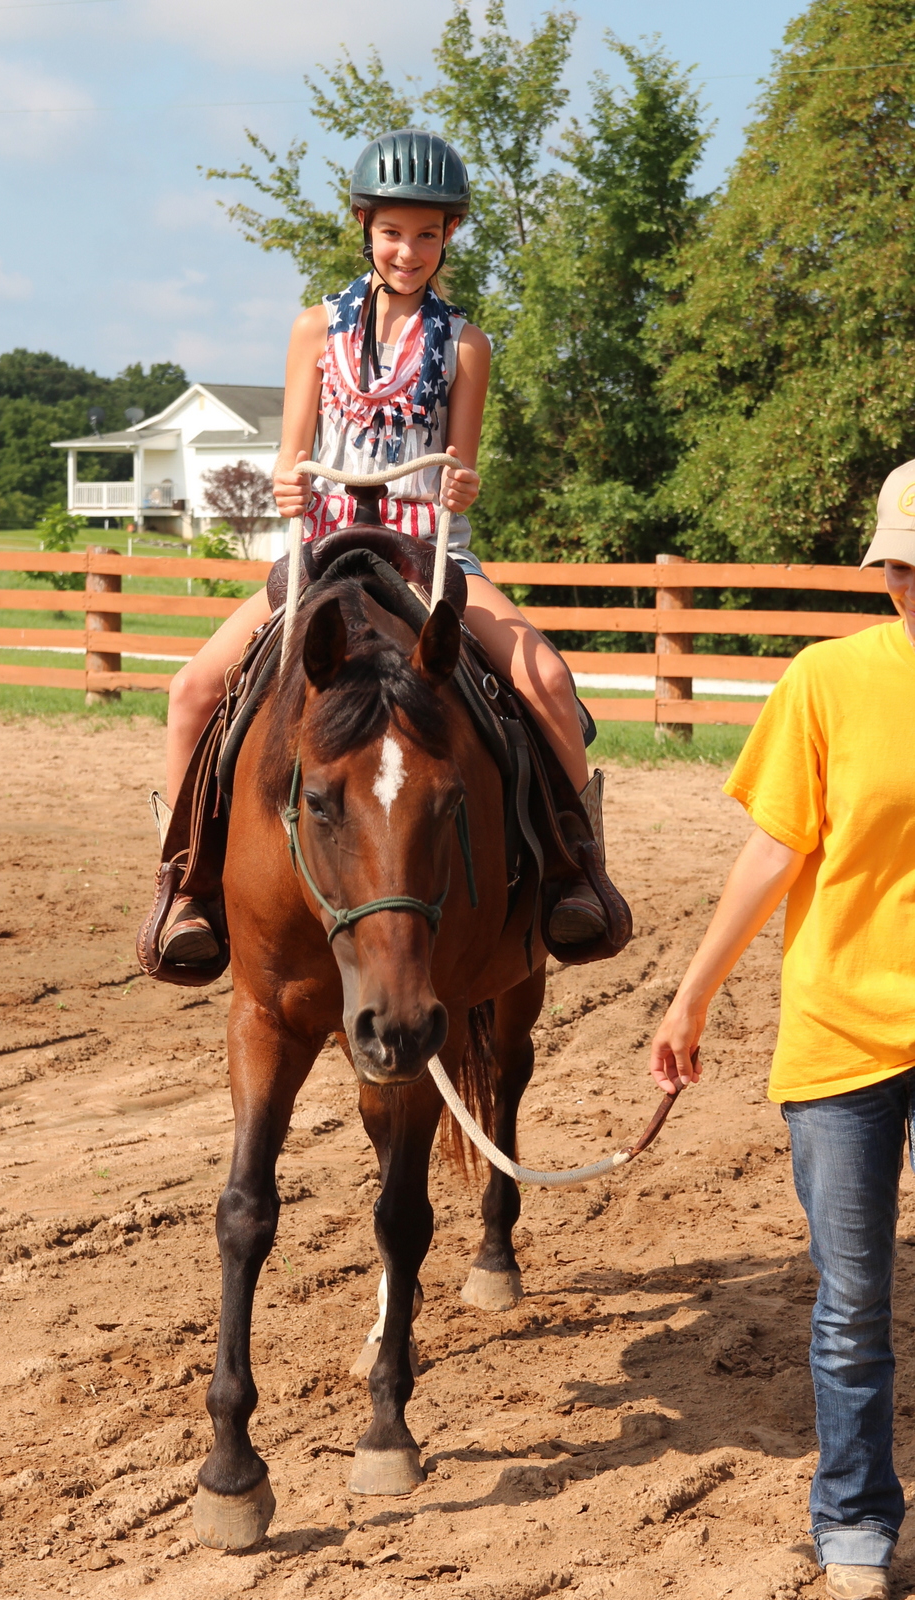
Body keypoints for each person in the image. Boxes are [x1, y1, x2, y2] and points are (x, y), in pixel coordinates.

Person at [160, 128, 614, 967]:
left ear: (450, 238)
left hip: (431, 556)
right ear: (365, 228)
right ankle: (187, 886)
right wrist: (288, 483)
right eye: (394, 231)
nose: (410, 250)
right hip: (325, 551)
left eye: (430, 233)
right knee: (190, 691)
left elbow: (461, 464)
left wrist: (463, 487)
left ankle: (577, 869)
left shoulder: (466, 345)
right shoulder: (313, 331)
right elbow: (291, 452)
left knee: (545, 676)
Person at [649, 463, 915, 1600]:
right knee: (852, 1299)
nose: (913, 583)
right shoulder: (828, 680)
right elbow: (774, 851)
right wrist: (691, 993)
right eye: (903, 564)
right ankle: (854, 1519)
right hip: (841, 1033)